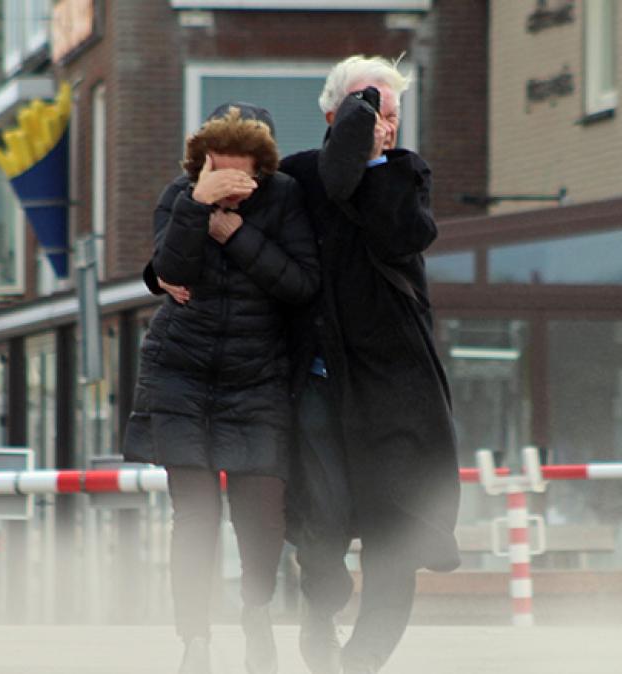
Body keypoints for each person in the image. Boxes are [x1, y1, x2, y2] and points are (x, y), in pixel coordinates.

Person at [156, 56, 462, 674]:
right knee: (318, 519)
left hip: (394, 391)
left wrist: (368, 145)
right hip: (318, 381)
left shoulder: (403, 179)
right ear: (330, 114)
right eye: (365, 108)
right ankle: (321, 608)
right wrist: (161, 268)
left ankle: (364, 657)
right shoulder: (296, 179)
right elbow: (217, 235)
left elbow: (396, 227)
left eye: (390, 113)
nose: (380, 123)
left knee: (393, 524)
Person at [123, 103, 320, 674]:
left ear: (262, 167)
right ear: (201, 163)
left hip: (257, 378)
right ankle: (195, 640)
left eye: (243, 175)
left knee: (261, 517)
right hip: (180, 374)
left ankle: (255, 610)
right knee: (195, 516)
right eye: (219, 171)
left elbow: (301, 284)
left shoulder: (284, 198)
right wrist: (197, 205)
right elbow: (171, 272)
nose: (234, 186)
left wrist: (235, 236)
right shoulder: (180, 196)